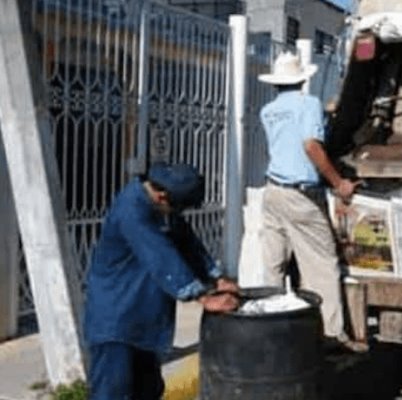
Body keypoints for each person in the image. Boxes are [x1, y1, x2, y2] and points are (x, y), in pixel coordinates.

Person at [83, 162, 240, 399]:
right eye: (178, 208)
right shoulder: (132, 211)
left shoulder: (159, 205)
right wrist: (202, 297)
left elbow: (186, 241)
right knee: (113, 391)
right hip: (116, 316)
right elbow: (160, 255)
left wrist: (215, 277)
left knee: (148, 389)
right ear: (162, 196)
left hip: (141, 312)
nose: (179, 214)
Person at [257, 51, 361, 350]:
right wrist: (339, 183)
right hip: (301, 195)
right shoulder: (309, 104)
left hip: (273, 191)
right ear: (303, 79)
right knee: (321, 263)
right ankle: (331, 334)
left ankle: (271, 330)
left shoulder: (268, 110)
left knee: (274, 264)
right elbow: (311, 147)